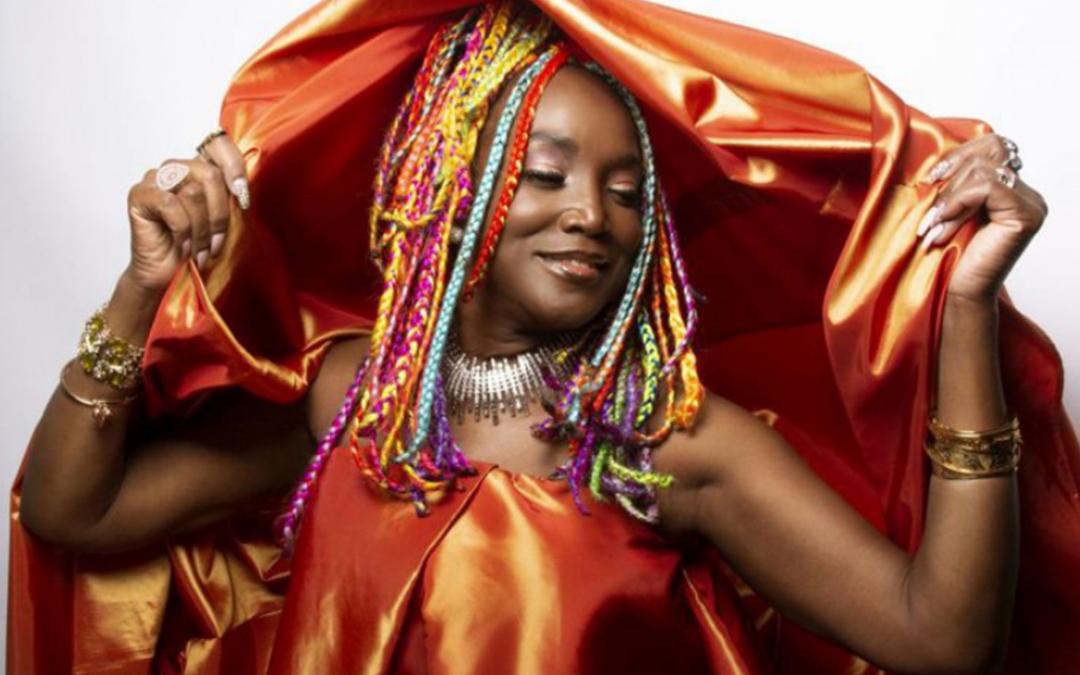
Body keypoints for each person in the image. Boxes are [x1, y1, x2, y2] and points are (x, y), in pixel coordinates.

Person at [8, 1, 1078, 673]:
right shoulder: (356, 401)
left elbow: (942, 638)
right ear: (448, 186)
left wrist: (966, 310)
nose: (591, 216)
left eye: (626, 192)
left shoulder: (669, 442)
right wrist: (142, 293)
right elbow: (74, 510)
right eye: (548, 173)